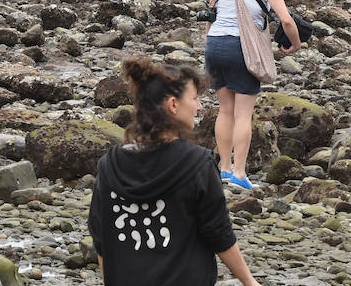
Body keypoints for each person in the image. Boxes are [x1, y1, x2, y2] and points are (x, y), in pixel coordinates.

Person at [88, 57, 261, 286]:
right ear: (173, 105)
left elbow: (101, 238)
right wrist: (249, 281)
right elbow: (219, 234)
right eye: (194, 99)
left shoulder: (109, 164)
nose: (199, 107)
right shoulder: (198, 164)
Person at [203, 0, 302, 189]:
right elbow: (287, 20)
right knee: (243, 114)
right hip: (242, 49)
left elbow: (211, 13)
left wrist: (210, 44)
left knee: (225, 110)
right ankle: (238, 174)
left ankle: (223, 169)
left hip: (215, 45)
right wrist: (296, 43)